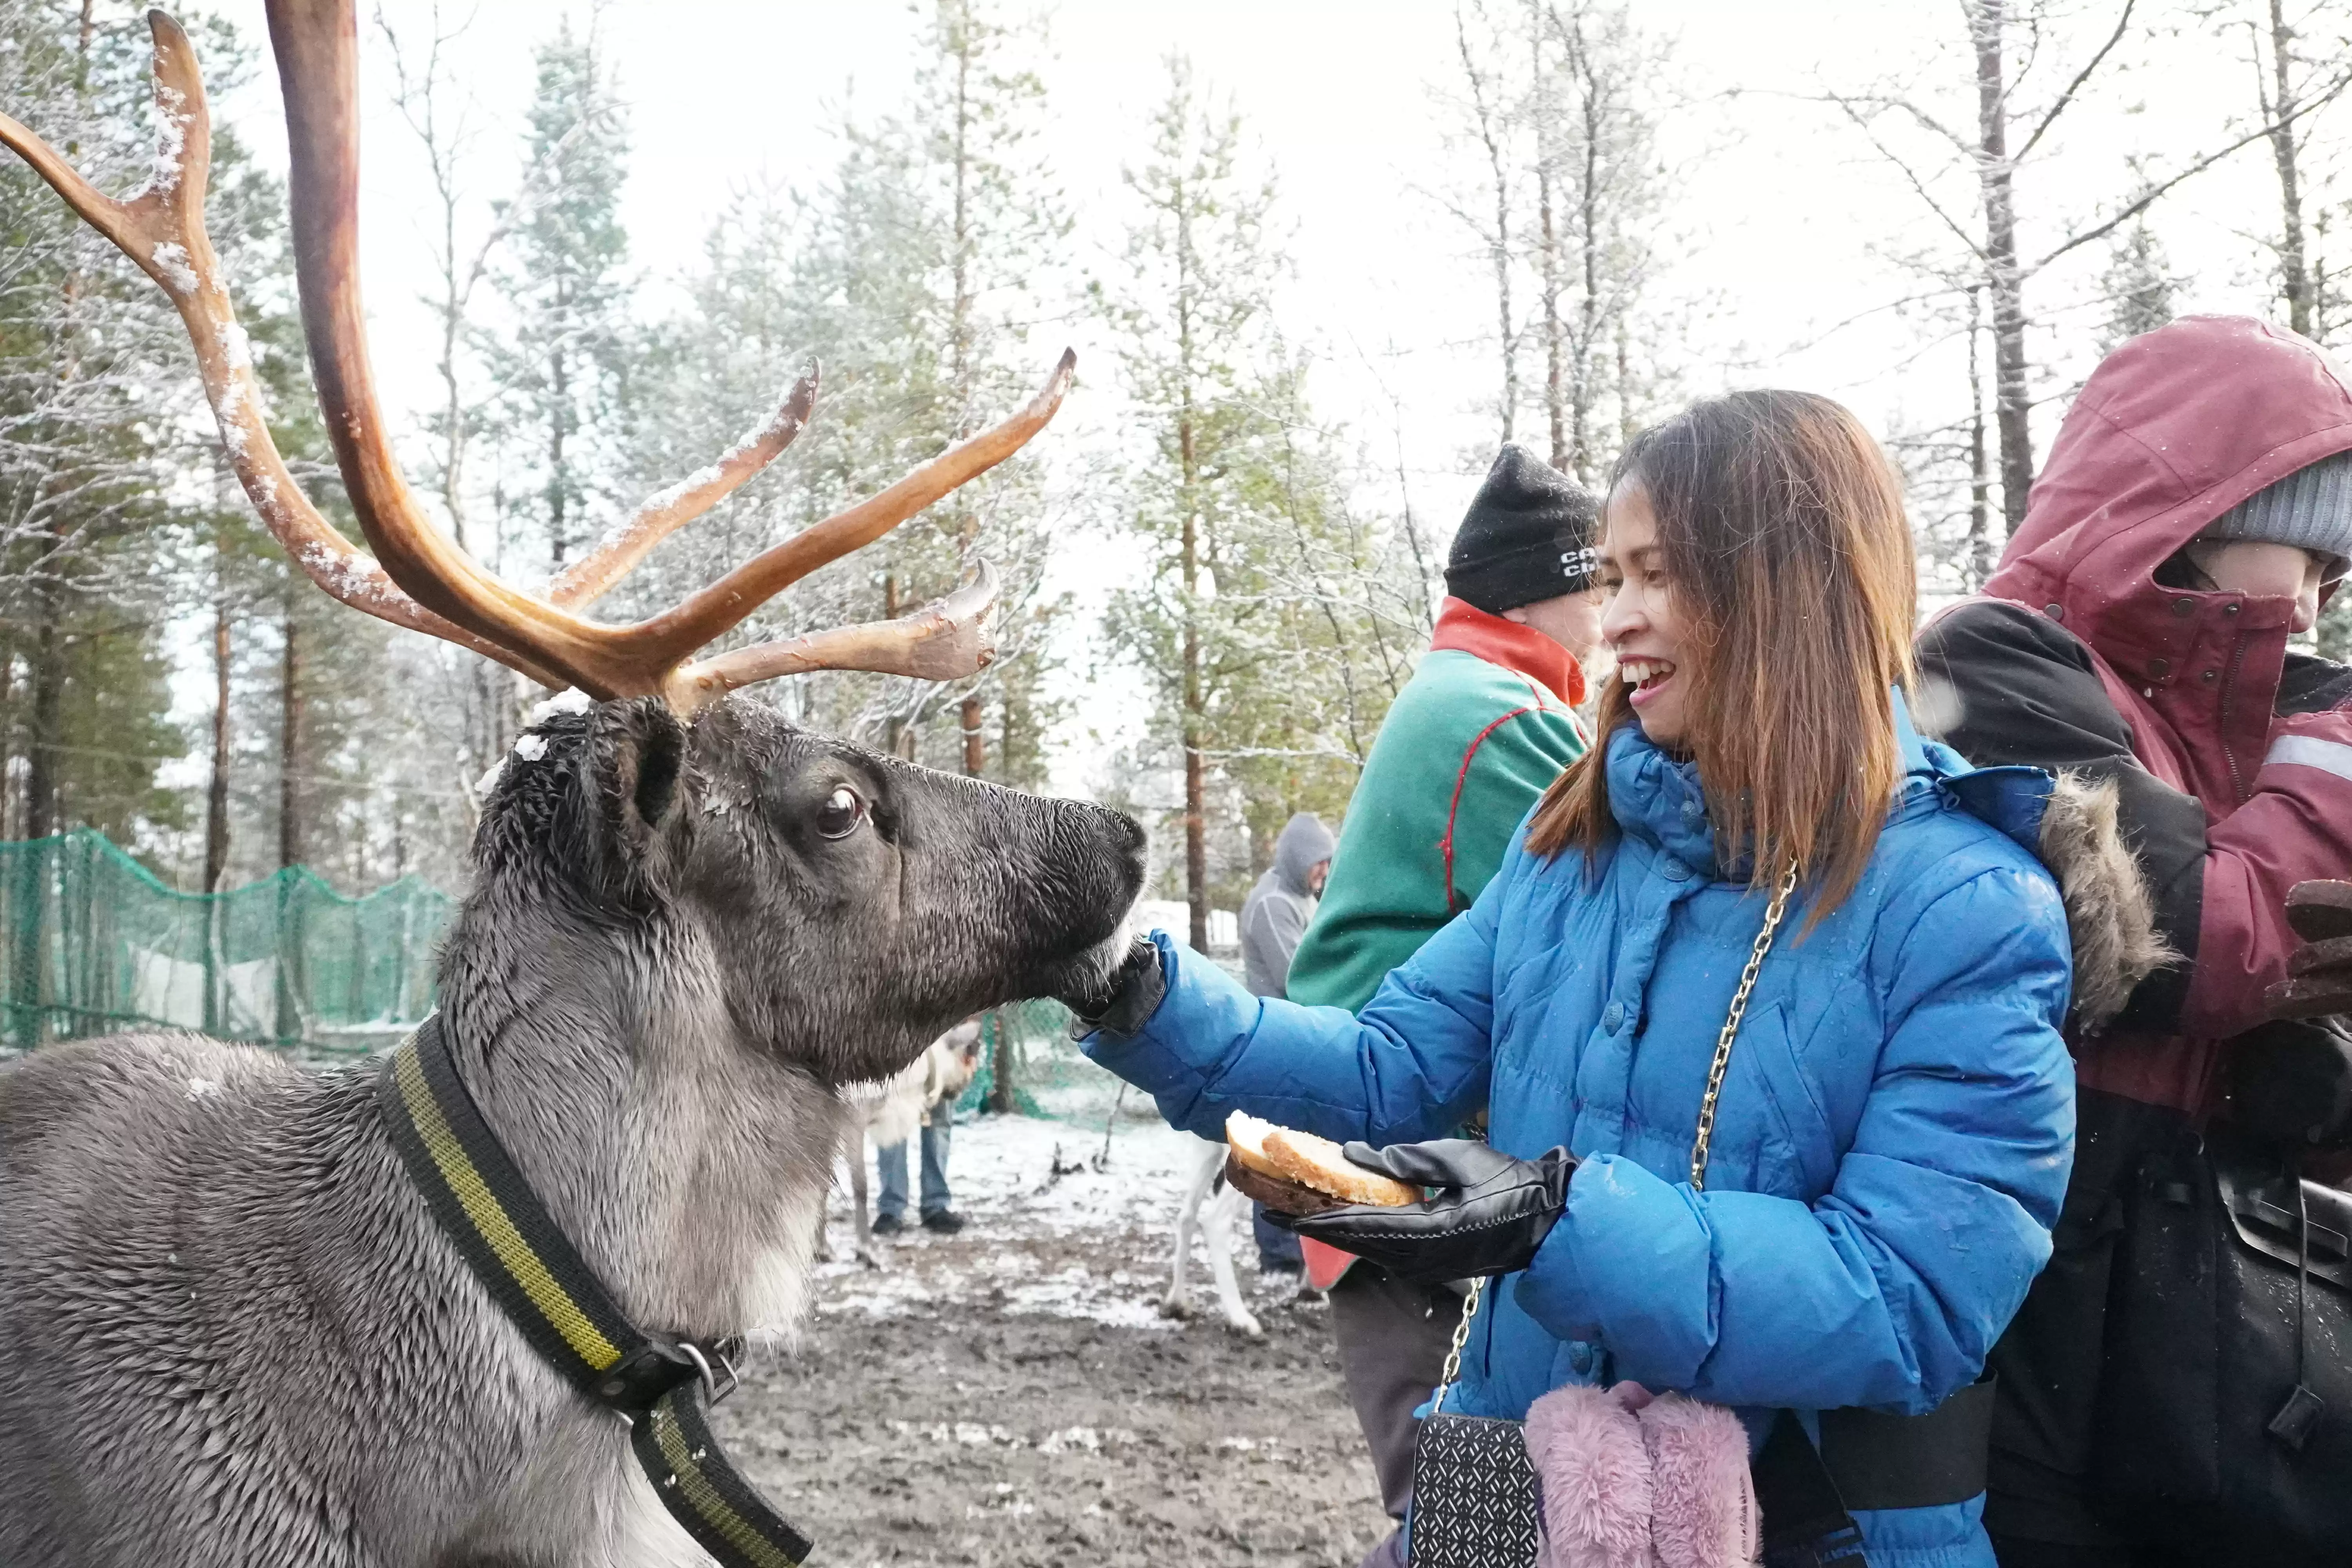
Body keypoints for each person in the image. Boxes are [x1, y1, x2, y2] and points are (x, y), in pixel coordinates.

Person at [1067, 390, 2094, 1568]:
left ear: (1788, 586)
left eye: (1659, 576)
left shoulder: (1962, 906)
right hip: (1503, 1476)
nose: (1616, 622)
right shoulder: (1573, 844)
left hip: (1796, 1528)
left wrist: (1557, 1220)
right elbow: (1386, 1063)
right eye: (1609, 579)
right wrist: (1132, 989)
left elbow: (1904, 1296)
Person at [1913, 315, 2352, 1568]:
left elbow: (2272, 1038)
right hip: (2023, 1326)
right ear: (2194, 515)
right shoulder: (1996, 660)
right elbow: (2199, 941)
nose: (2319, 596)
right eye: (2306, 546)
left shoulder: (2246, 748)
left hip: (2189, 1331)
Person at [1281, 443, 1600, 1557]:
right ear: (1551, 588)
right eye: (1604, 584)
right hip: (1419, 1179)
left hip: (1390, 1169)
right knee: (1472, 1521)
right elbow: (1632, 884)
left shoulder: (1469, 693)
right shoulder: (1507, 719)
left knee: (1473, 1514)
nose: (1614, 616)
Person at [1237, 811, 1336, 1275]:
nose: (1324, 870)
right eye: (1319, 861)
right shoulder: (1273, 903)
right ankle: (1278, 1256)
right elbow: (1297, 976)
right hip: (1275, 1041)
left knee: (1296, 1148)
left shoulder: (1301, 899)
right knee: (1273, 1150)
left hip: (1297, 1037)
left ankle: (1297, 1250)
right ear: (1298, 858)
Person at [874, 1016, 984, 1236]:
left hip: (946, 1035)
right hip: (900, 1035)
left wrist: (970, 1046)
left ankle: (936, 1206)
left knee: (938, 1123)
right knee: (893, 1119)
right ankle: (891, 1209)